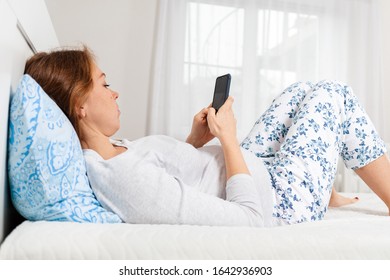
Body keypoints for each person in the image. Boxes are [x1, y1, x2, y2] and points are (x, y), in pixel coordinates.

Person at [24, 46, 390, 227]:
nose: (114, 93)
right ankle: (327, 192)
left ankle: (328, 192)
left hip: (257, 171)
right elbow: (250, 220)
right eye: (104, 84)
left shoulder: (111, 154)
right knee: (333, 94)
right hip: (279, 200)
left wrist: (194, 142)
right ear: (79, 105)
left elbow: (173, 182)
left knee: (299, 92)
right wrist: (227, 140)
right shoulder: (121, 179)